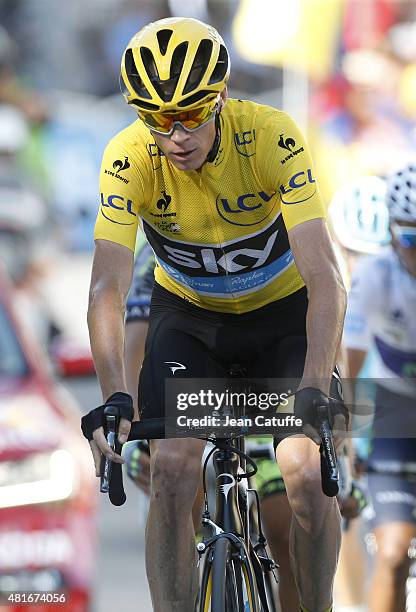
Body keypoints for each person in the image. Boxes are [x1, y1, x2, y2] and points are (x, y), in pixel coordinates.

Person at [82, 17, 348, 612]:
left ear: (221, 96)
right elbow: (108, 283)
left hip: (283, 318)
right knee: (174, 470)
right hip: (192, 322)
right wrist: (114, 396)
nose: (174, 135)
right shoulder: (128, 156)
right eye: (155, 117)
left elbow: (325, 279)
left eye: (190, 115)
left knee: (303, 473)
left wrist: (313, 388)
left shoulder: (272, 136)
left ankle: (317, 604)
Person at [343, 162, 416, 612]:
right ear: (390, 233)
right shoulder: (375, 277)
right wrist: (348, 442)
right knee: (390, 554)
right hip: (395, 414)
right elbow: (349, 367)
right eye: (410, 239)